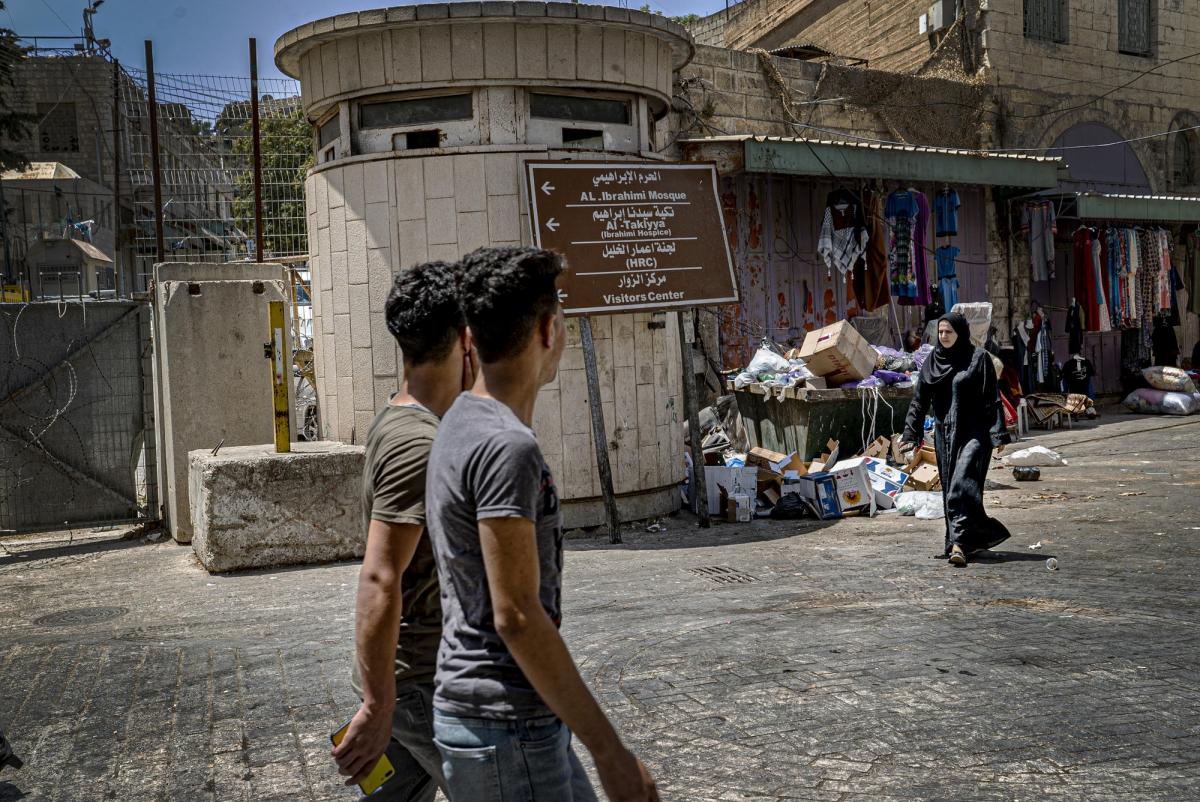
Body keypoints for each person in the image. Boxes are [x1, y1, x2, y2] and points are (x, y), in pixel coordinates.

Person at [425, 246, 658, 802]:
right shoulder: (507, 446)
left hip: (505, 718)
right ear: (550, 330)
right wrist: (610, 751)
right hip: (506, 723)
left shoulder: (461, 419)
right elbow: (518, 615)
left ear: (470, 339)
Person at [331, 261, 476, 801]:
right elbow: (379, 577)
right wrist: (378, 706)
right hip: (420, 687)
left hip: (409, 682)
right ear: (466, 340)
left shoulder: (409, 421)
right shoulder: (418, 443)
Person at [901, 312, 1012, 567]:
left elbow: (991, 398)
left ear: (960, 332)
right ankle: (962, 540)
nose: (943, 336)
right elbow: (920, 400)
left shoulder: (978, 359)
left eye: (948, 332)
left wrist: (998, 434)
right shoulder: (933, 361)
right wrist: (910, 432)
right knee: (953, 487)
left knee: (961, 486)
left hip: (975, 434)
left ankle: (960, 544)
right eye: (940, 332)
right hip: (945, 436)